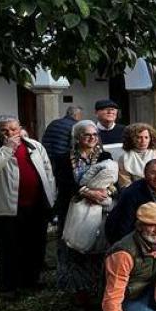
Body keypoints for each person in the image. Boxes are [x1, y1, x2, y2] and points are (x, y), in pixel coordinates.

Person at [0, 114, 57, 298]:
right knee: (8, 248)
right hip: (7, 208)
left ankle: (30, 280)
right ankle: (7, 287)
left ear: (20, 129)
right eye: (4, 130)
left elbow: (48, 172)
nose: (10, 133)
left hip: (36, 205)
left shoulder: (34, 145)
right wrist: (6, 149)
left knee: (35, 245)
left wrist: (51, 199)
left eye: (14, 129)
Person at [53, 120, 115, 296]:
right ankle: (74, 287)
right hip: (71, 206)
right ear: (78, 137)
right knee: (72, 246)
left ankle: (94, 284)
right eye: (87, 135)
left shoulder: (105, 156)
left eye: (95, 135)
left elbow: (111, 180)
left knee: (95, 245)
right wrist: (86, 192)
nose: (92, 138)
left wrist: (105, 192)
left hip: (96, 209)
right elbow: (63, 183)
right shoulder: (63, 158)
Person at [105, 159, 156, 245]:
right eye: (153, 173)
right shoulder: (131, 193)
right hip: (135, 237)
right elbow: (123, 226)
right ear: (145, 174)